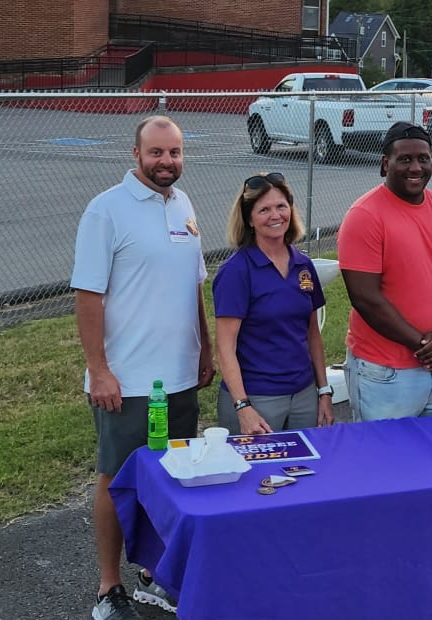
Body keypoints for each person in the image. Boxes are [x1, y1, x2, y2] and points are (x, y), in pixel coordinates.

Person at [71, 115, 214, 620]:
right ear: (136, 155)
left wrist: (204, 349)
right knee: (117, 479)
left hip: (178, 378)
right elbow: (88, 296)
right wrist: (100, 370)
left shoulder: (183, 204)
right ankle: (109, 588)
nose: (166, 162)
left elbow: (193, 285)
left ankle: (154, 573)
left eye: (174, 153)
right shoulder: (106, 211)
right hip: (129, 382)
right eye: (156, 153)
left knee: (169, 476)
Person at [339, 121, 432, 421]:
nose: (416, 167)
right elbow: (365, 297)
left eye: (423, 158)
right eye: (405, 159)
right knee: (385, 462)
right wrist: (424, 344)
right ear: (385, 164)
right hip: (384, 372)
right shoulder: (364, 216)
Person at [212, 172, 334, 434]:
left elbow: (312, 333)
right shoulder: (236, 271)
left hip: (303, 395)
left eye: (281, 206)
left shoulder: (303, 265)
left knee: (303, 471)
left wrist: (323, 391)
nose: (275, 215)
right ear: (249, 219)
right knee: (256, 475)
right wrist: (242, 406)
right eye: (264, 209)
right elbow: (224, 346)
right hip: (258, 399)